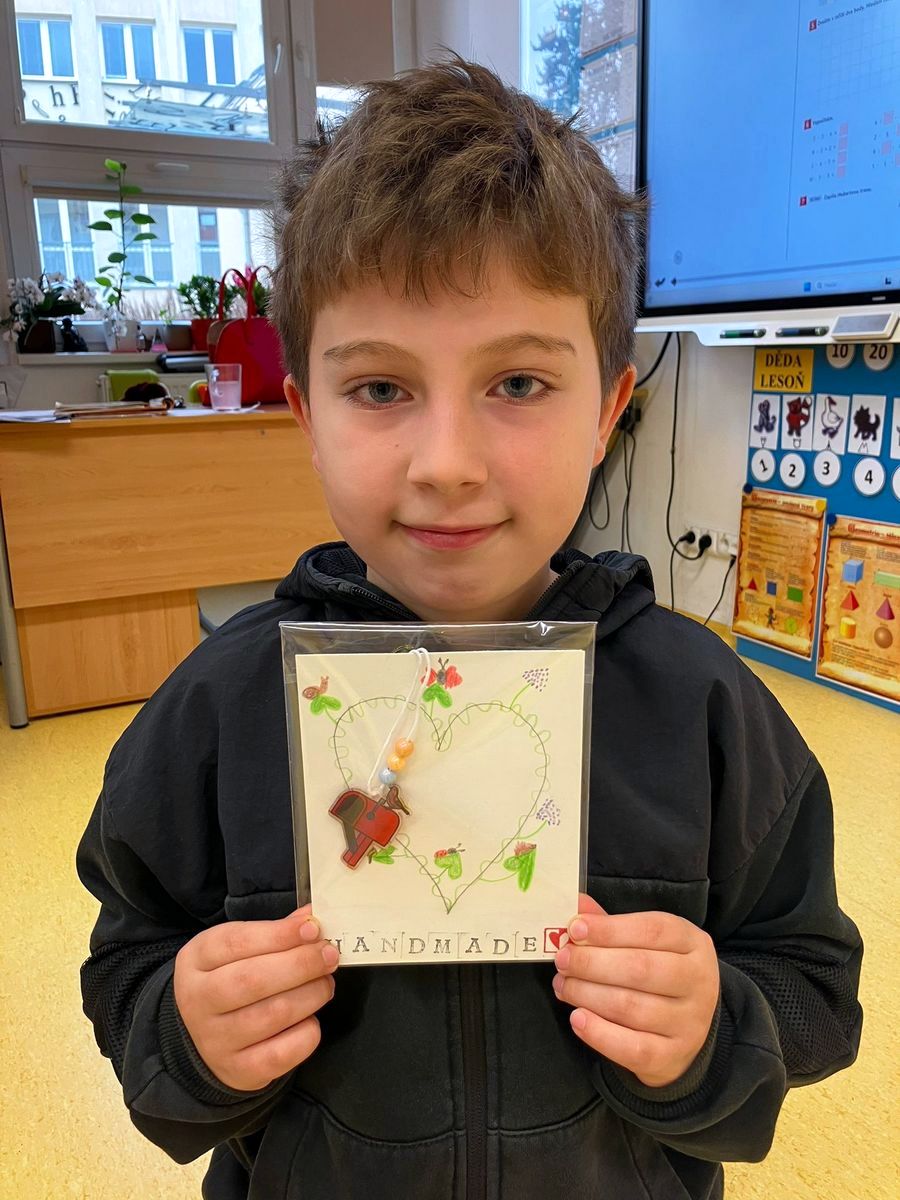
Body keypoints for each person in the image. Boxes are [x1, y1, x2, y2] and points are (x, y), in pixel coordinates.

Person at [76, 53, 862, 1200]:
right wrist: (188, 1032)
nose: (447, 464)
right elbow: (127, 964)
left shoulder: (703, 707)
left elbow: (814, 986)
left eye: (519, 384)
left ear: (609, 411)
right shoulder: (220, 707)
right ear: (306, 415)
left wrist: (716, 1024)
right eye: (381, 389)